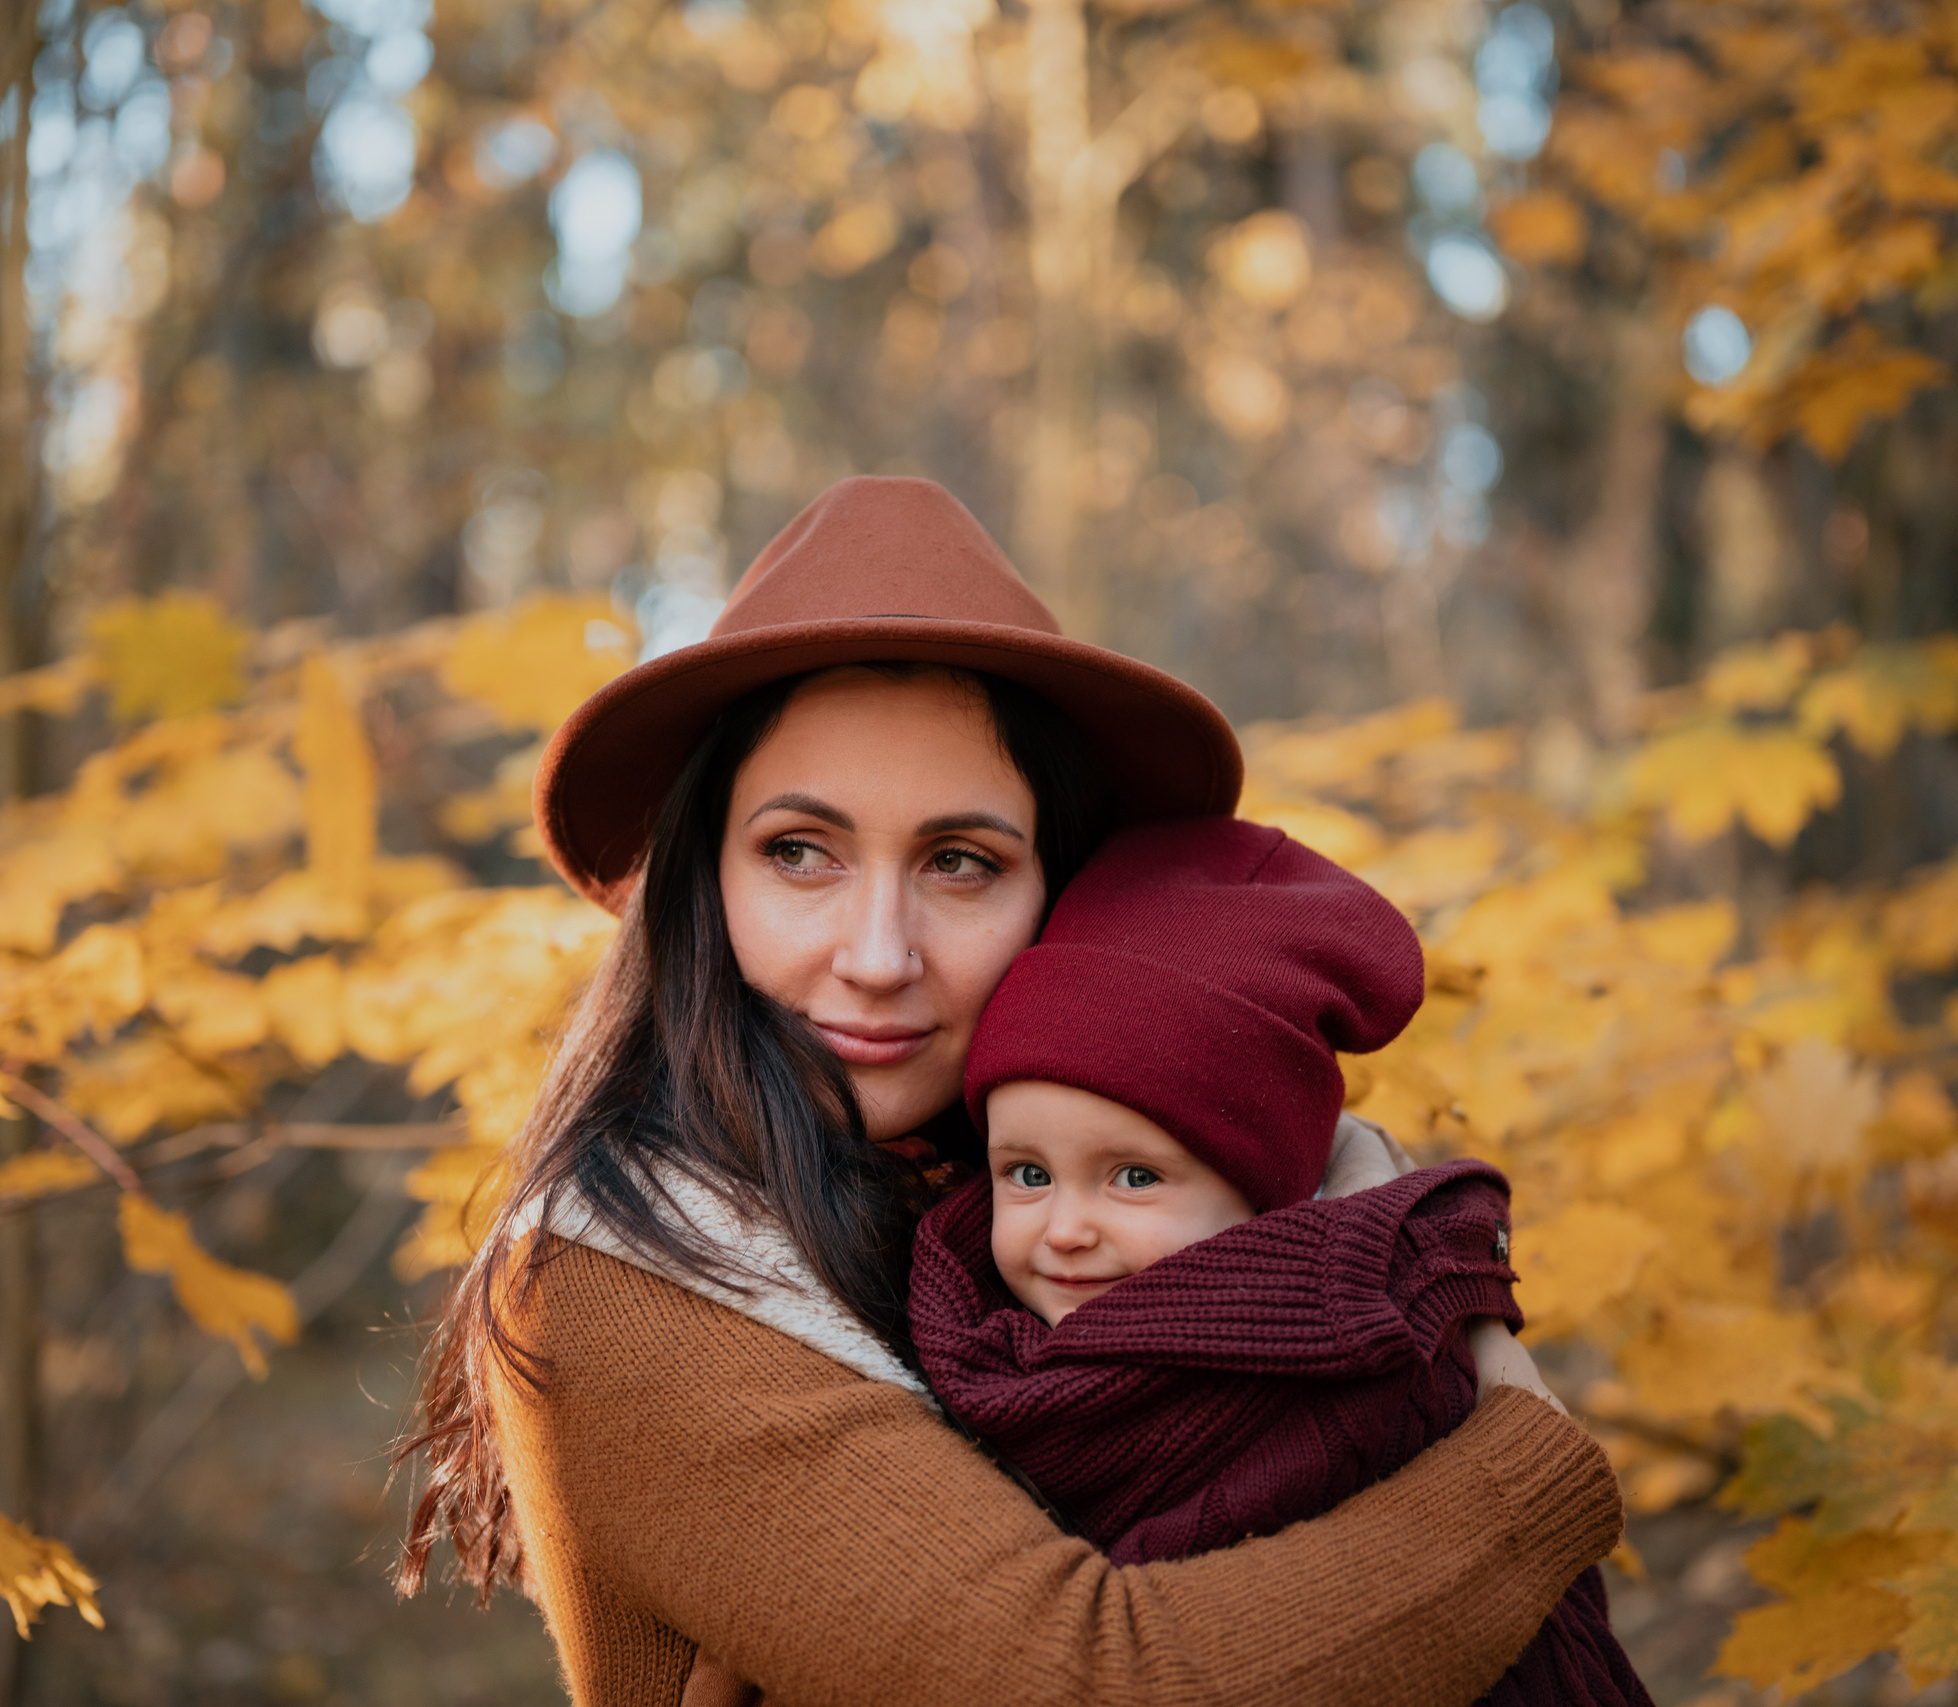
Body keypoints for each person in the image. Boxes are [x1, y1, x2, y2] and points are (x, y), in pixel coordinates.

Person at [399, 476, 1625, 1707]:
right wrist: (1525, 1462)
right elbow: (1090, 1681)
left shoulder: (1020, 1207)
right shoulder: (625, 1278)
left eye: (960, 862)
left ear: (1059, 892)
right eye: (798, 852)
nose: (878, 955)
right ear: (699, 887)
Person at [909, 815, 1649, 1706]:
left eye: (1134, 1176)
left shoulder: (1347, 1360)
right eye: (1027, 1174)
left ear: (1269, 1201)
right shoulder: (969, 1331)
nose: (1064, 1227)